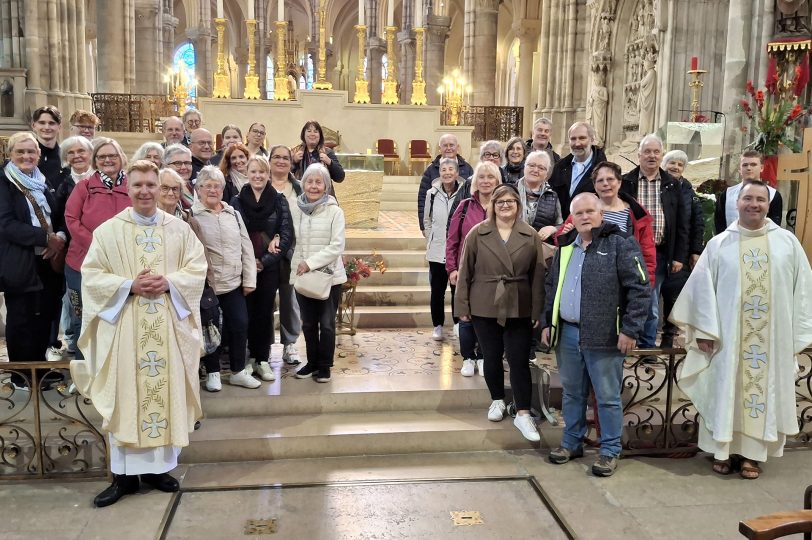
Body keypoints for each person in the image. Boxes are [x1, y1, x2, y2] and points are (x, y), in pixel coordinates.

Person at [70, 160, 207, 508]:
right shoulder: (108, 232)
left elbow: (197, 268)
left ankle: (158, 470)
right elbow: (92, 276)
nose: (145, 191)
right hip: (125, 331)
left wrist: (170, 282)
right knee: (126, 396)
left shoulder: (179, 230)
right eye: (138, 185)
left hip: (167, 329)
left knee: (163, 393)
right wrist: (128, 285)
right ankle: (124, 477)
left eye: (151, 185)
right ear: (127, 189)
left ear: (160, 188)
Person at [670, 181, 812, 479]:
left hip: (771, 340)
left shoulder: (787, 243)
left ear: (768, 204)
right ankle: (724, 451)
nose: (754, 204)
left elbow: (804, 291)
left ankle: (752, 456)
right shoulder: (720, 243)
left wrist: (796, 333)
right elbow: (701, 290)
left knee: (761, 393)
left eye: (760, 199)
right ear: (737, 202)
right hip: (728, 339)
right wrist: (705, 330)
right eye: (748, 198)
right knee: (726, 389)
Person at [542, 193, 650, 477]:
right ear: (572, 218)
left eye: (590, 211)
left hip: (605, 335)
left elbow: (640, 289)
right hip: (567, 333)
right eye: (579, 213)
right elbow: (551, 287)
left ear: (601, 214)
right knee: (572, 393)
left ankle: (610, 450)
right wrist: (546, 323)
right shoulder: (566, 247)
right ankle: (571, 442)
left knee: (607, 397)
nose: (585, 217)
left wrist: (630, 329)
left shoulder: (620, 244)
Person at [455, 184, 547, 442]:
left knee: (518, 359)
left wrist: (536, 309)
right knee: (491, 356)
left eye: (511, 201)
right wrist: (462, 306)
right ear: (492, 206)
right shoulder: (478, 233)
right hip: (484, 301)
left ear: (518, 205)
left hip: (519, 302)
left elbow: (538, 276)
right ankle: (497, 399)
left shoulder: (529, 235)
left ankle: (523, 412)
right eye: (500, 202)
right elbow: (465, 272)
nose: (505, 205)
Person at [189, 166, 259, 391]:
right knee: (211, 330)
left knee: (240, 325)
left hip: (234, 283)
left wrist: (249, 279)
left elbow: (246, 247)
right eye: (207, 186)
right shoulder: (191, 215)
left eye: (217, 186)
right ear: (198, 189)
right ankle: (213, 372)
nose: (212, 190)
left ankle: (238, 371)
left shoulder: (233, 214)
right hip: (208, 286)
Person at [0, 132, 67, 363]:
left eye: (31, 151)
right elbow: (5, 224)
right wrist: (45, 238)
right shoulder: (4, 181)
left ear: (38, 155)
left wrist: (58, 236)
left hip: (48, 260)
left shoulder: (40, 179)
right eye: (20, 151)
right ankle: (21, 375)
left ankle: (39, 368)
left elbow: (55, 213)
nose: (26, 156)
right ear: (10, 154)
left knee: (44, 316)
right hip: (21, 261)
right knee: (21, 319)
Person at [64, 137, 132, 362]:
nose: (108, 160)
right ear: (95, 160)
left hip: (121, 264)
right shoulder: (85, 187)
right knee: (83, 317)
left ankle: (113, 367)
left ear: (121, 157)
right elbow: (71, 218)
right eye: (102, 157)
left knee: (117, 316)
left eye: (112, 155)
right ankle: (84, 369)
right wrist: (97, 245)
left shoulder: (131, 186)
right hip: (82, 263)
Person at [620, 134, 689, 352]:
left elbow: (681, 222)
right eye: (647, 152)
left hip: (658, 253)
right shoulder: (626, 182)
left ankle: (646, 346)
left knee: (649, 301)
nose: (651, 156)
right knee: (626, 298)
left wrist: (679, 255)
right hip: (629, 251)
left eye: (656, 152)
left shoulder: (672, 185)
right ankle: (625, 342)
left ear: (661, 155)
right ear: (639, 155)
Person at [231, 156, 293, 382]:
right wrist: (249, 263)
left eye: (262, 172)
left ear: (268, 174)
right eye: (253, 171)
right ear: (247, 173)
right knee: (245, 313)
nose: (258, 176)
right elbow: (233, 234)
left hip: (269, 267)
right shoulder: (237, 201)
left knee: (265, 312)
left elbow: (286, 235)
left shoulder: (278, 200)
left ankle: (263, 359)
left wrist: (263, 261)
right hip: (244, 266)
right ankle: (248, 358)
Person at [289, 164, 347, 383]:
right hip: (303, 276)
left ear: (326, 186)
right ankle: (312, 362)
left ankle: (324, 366)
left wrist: (309, 264)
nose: (313, 186)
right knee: (308, 324)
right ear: (303, 183)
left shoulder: (335, 211)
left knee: (327, 323)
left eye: (318, 182)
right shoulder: (297, 208)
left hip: (330, 277)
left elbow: (336, 246)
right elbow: (293, 240)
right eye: (309, 181)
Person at [556, 161, 657, 287]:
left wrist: (647, 284)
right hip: (586, 279)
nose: (605, 184)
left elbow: (648, 254)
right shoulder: (583, 206)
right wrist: (566, 234)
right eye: (600, 180)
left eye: (610, 179)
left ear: (619, 182)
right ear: (594, 184)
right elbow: (561, 240)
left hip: (625, 279)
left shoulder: (637, 213)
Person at [446, 161, 501, 377]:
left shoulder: (503, 206)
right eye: (482, 177)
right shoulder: (465, 206)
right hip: (466, 272)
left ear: (498, 181)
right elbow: (452, 240)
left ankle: (483, 355)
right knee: (466, 317)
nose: (486, 181)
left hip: (494, 274)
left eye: (490, 177)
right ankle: (468, 357)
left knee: (488, 318)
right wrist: (451, 268)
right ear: (475, 181)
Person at [53, 135, 95, 358]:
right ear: (65, 157)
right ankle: (80, 358)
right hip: (75, 252)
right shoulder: (63, 182)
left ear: (91, 154)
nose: (77, 156)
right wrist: (61, 233)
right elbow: (60, 215)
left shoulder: (102, 180)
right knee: (77, 308)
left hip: (102, 252)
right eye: (71, 152)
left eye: (82, 151)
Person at [659, 150, 705, 349]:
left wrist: (695, 251)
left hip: (681, 251)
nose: (675, 167)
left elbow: (698, 222)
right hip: (660, 249)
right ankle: (646, 340)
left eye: (679, 164)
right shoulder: (658, 185)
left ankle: (669, 338)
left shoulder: (687, 189)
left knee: (673, 296)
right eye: (672, 163)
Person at [268, 144, 304, 365]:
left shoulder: (299, 187)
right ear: (269, 160)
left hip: (293, 250)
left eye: (285, 158)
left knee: (290, 300)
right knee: (265, 300)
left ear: (291, 163)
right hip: (267, 250)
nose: (281, 161)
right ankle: (264, 344)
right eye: (276, 157)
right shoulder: (260, 184)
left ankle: (290, 344)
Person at [423, 157, 463, 341]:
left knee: (457, 289)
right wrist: (431, 239)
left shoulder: (464, 192)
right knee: (437, 291)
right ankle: (437, 325)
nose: (447, 173)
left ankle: (457, 323)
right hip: (437, 250)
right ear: (439, 173)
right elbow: (427, 220)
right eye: (443, 170)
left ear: (456, 173)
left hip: (456, 251)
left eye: (450, 169)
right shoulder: (431, 193)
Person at [548, 122, 607, 220]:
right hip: (560, 229)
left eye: (582, 138)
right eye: (573, 139)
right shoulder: (559, 167)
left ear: (592, 139)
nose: (577, 143)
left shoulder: (603, 170)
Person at [714, 151, 783, 233]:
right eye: (745, 165)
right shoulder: (727, 194)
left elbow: (774, 226)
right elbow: (719, 223)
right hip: (731, 242)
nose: (749, 168)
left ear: (761, 168)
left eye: (753, 164)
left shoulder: (773, 195)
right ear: (740, 169)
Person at [417, 134, 474, 233]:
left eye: (451, 145)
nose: (448, 148)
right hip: (437, 227)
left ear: (457, 147)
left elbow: (473, 197)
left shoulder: (467, 168)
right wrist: (423, 226)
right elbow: (422, 198)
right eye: (445, 145)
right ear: (440, 148)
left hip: (461, 226)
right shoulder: (430, 170)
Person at [446, 141, 508, 208]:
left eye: (495, 155)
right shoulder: (470, 182)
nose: (491, 158)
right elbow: (456, 207)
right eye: (487, 154)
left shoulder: (506, 181)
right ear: (481, 158)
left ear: (501, 159)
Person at [516, 150, 562, 241]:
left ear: (546, 174)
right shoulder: (511, 191)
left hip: (540, 248)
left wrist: (552, 229)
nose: (535, 170)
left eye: (541, 168)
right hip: (514, 246)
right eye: (532, 165)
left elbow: (560, 225)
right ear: (524, 167)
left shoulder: (552, 196)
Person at [291, 121, 345, 196]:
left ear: (320, 136)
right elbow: (284, 176)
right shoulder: (295, 152)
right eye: (309, 131)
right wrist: (294, 161)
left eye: (316, 131)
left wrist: (329, 162)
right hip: (301, 197)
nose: (312, 134)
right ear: (303, 135)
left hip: (324, 198)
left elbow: (340, 177)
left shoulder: (327, 152)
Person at [31, 105, 63, 190]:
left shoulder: (66, 156)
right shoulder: (26, 156)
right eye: (42, 123)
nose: (47, 127)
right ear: (34, 126)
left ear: (59, 127)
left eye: (51, 123)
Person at [163, 144, 195, 208]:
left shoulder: (194, 186)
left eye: (187, 163)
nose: (184, 167)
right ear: (166, 166)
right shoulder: (162, 191)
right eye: (178, 163)